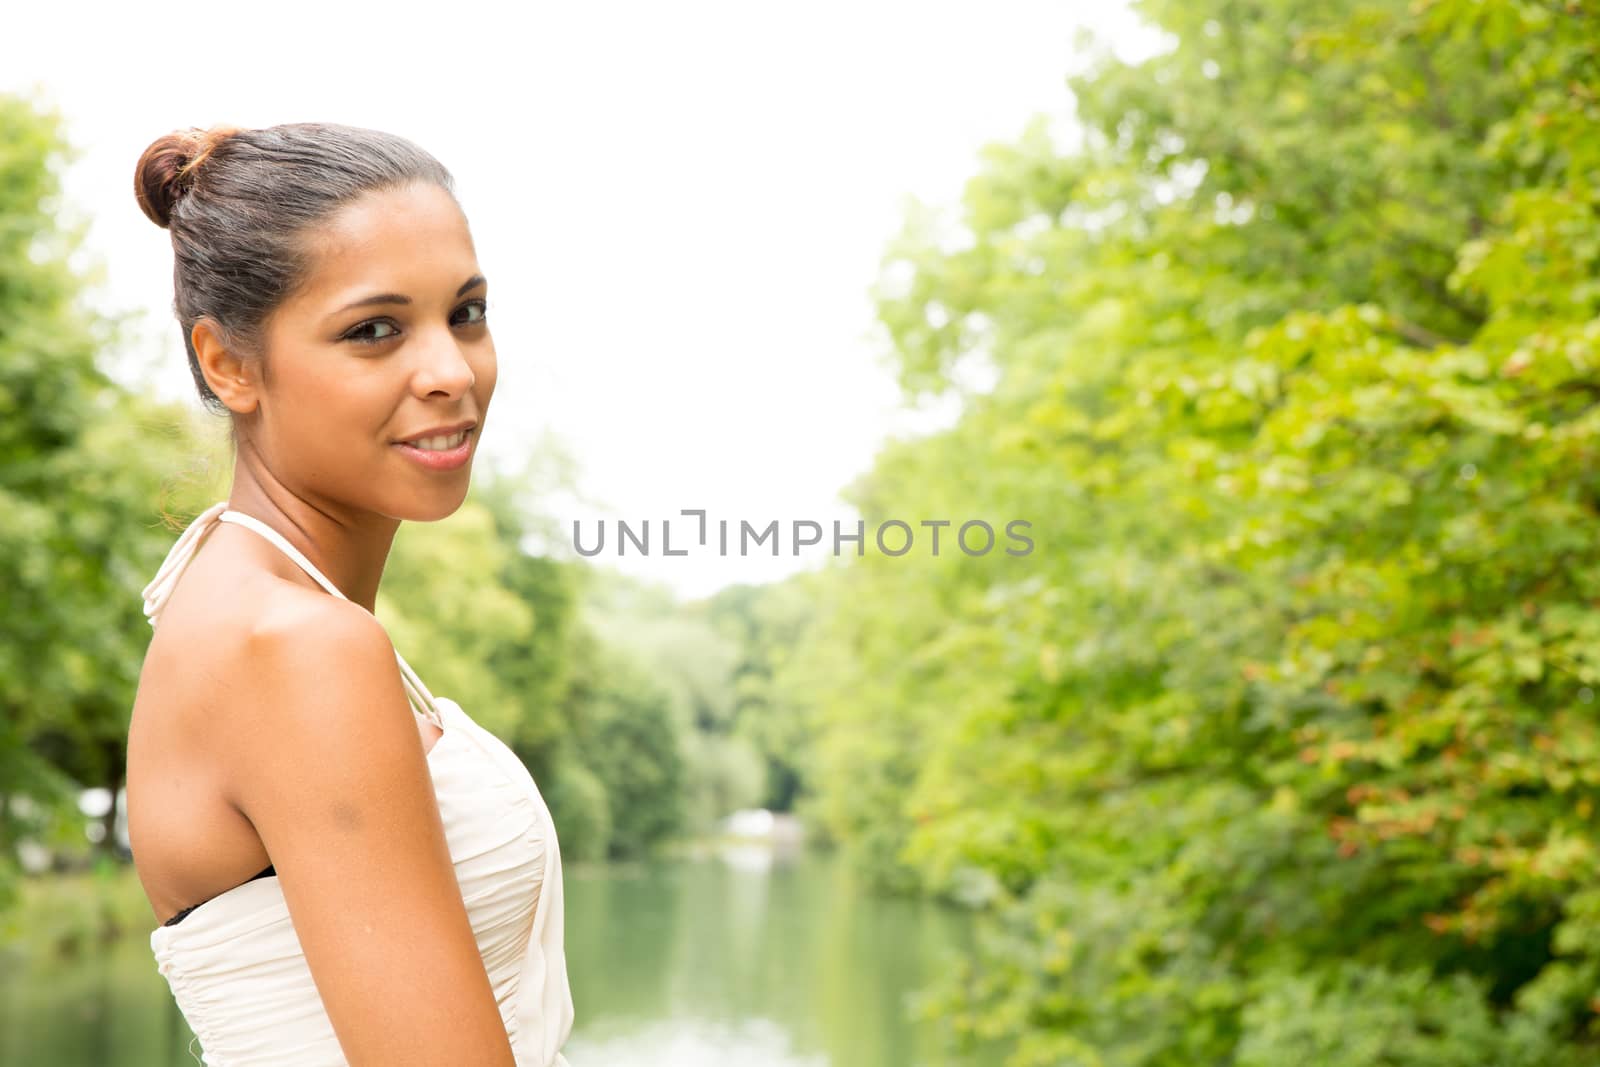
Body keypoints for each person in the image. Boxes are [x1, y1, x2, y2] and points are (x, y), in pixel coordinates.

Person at [123, 122, 574, 1066]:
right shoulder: (292, 645)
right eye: (375, 329)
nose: (451, 371)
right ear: (229, 365)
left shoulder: (261, 608)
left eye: (468, 313)